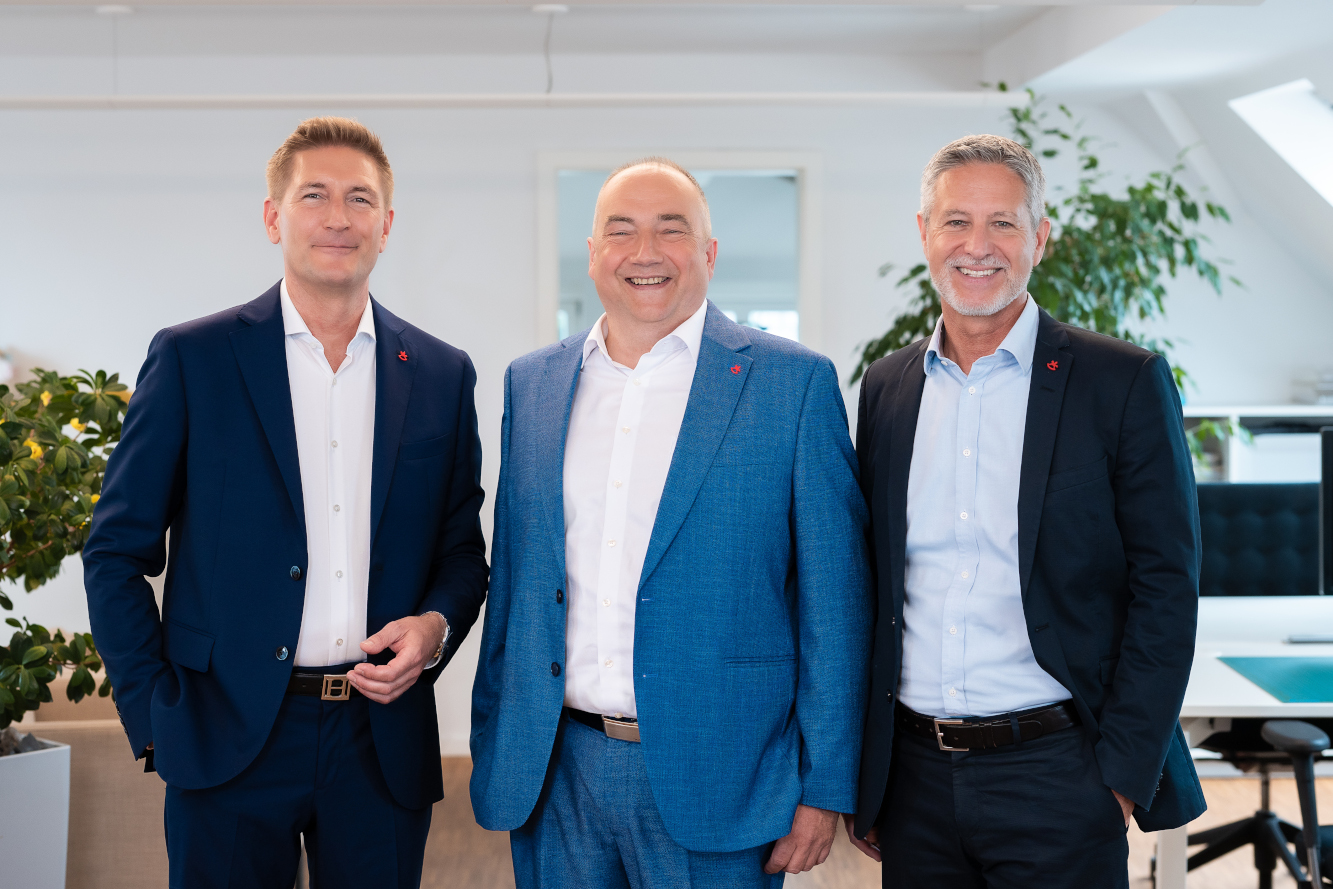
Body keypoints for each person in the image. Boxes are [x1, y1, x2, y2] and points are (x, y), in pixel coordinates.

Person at [83, 116, 488, 889]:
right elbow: (114, 552)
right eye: (314, 195)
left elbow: (462, 552)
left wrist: (434, 627)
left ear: (387, 225)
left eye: (360, 199)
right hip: (224, 729)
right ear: (273, 217)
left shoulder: (442, 373)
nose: (338, 217)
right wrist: (155, 712)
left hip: (380, 737)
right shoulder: (193, 358)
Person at [470, 157, 872, 888]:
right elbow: (517, 580)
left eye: (671, 230)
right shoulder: (532, 384)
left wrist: (824, 785)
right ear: (592, 253)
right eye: (621, 231)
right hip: (556, 773)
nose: (645, 251)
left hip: (725, 772)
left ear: (709, 251)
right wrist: (497, 737)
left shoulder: (791, 384)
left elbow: (834, 605)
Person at [847, 134, 1205, 888]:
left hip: (1060, 774)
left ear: (1039, 238)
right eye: (956, 221)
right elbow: (873, 588)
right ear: (924, 233)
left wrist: (1117, 780)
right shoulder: (886, 388)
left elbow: (1166, 587)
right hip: (913, 779)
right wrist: (871, 770)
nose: (976, 246)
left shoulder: (1121, 382)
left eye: (1002, 223)